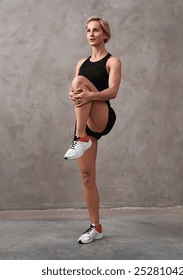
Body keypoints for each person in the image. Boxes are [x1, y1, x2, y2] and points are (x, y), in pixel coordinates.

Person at [64, 16, 121, 244]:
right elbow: (76, 93)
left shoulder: (112, 61)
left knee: (79, 81)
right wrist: (73, 94)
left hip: (102, 115)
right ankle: (95, 227)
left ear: (105, 34)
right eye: (88, 30)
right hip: (85, 121)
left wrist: (89, 94)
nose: (91, 34)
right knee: (87, 177)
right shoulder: (80, 62)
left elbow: (113, 92)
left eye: (96, 30)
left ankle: (80, 138)